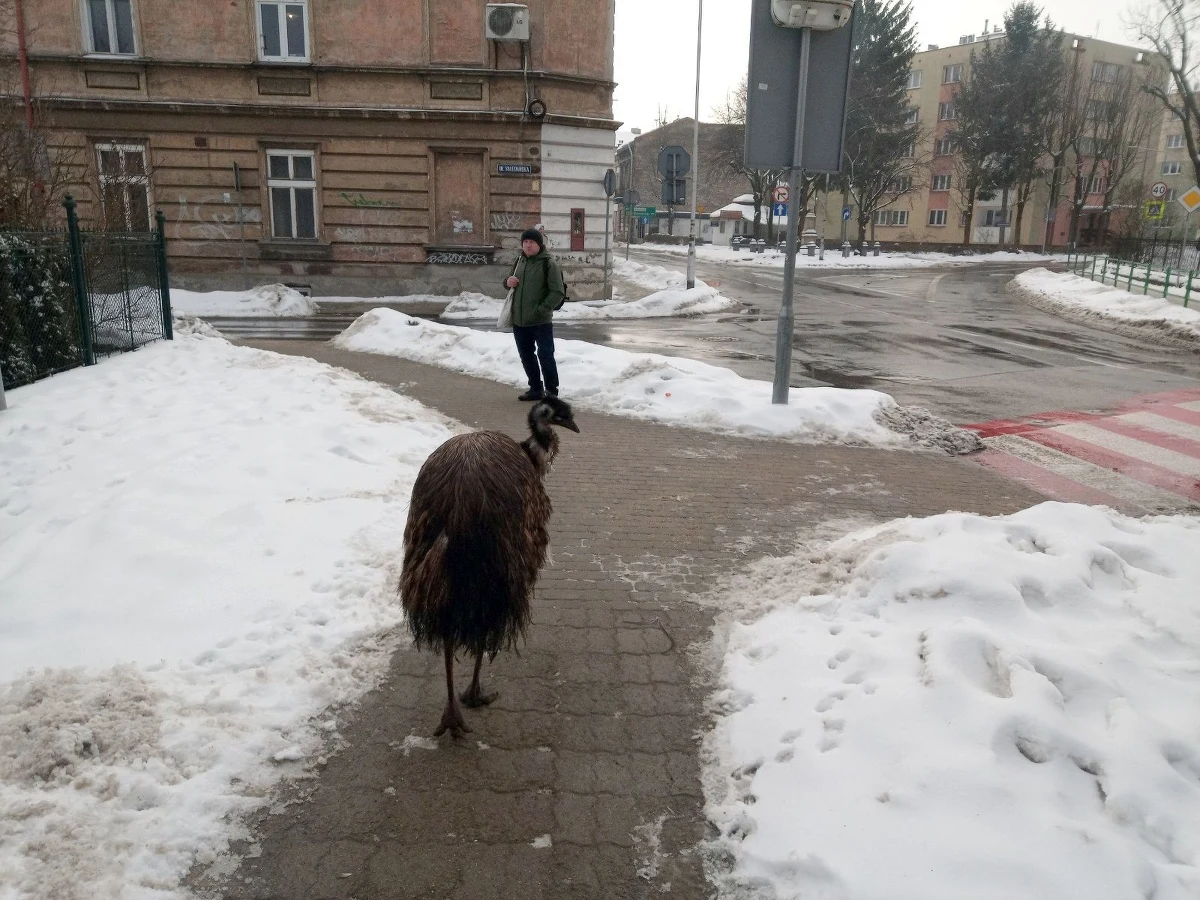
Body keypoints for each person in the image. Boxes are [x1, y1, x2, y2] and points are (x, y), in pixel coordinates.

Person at [505, 228, 565, 401]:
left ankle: (551, 392)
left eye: (531, 242)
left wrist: (541, 310)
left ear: (539, 244)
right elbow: (509, 282)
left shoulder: (548, 264)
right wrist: (507, 282)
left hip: (541, 321)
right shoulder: (519, 261)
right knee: (526, 356)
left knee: (545, 355)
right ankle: (535, 389)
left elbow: (557, 292)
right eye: (525, 242)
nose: (528, 245)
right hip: (520, 320)